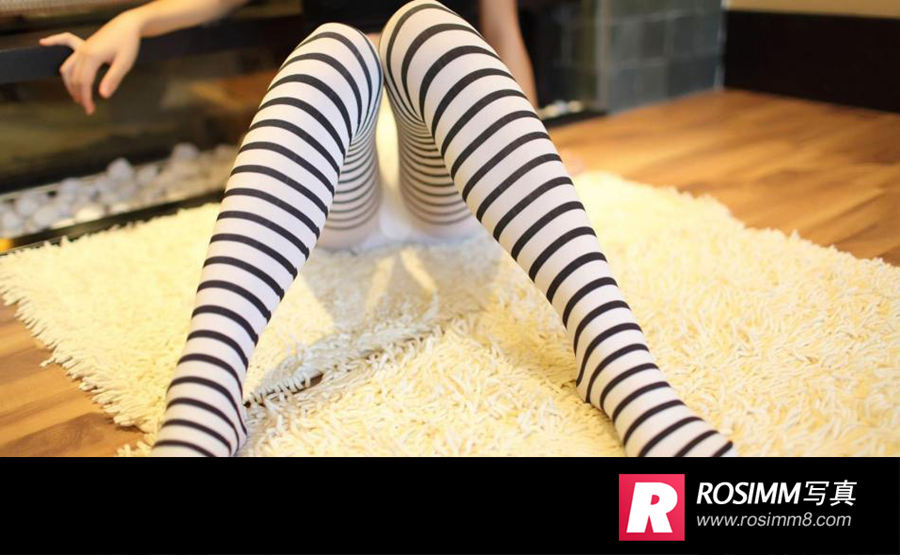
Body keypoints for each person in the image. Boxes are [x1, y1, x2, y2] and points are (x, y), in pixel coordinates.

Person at [40, 0, 735, 457]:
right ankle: (207, 384)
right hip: (331, 169)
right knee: (335, 47)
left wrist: (534, 143)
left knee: (426, 27)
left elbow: (501, 38)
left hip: (450, 162)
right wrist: (133, 22)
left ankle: (621, 363)